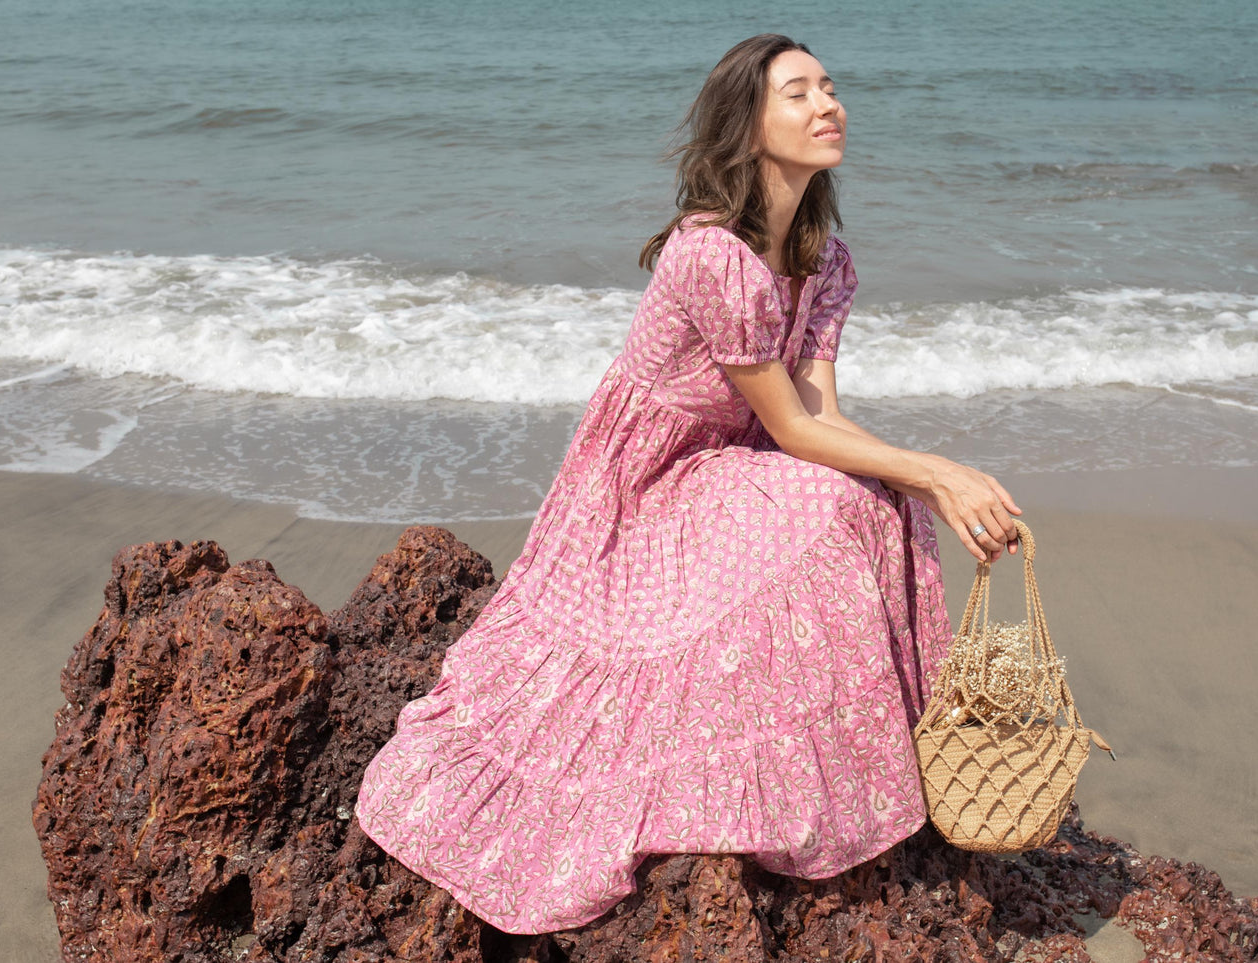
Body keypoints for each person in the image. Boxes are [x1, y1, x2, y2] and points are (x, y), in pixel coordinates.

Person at [355, 33, 1021, 934]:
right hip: (644, 487)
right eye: (798, 94)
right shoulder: (710, 255)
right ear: (746, 129)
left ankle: (872, 767)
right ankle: (795, 780)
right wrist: (940, 470)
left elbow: (821, 413)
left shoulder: (824, 259)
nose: (828, 105)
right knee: (845, 503)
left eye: (829, 87)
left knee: (881, 499)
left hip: (734, 462)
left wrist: (926, 478)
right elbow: (794, 432)